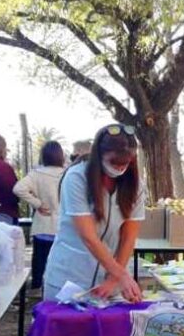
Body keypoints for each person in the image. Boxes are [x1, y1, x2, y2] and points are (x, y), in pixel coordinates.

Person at [43, 124, 145, 302]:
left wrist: (113, 279)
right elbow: (89, 237)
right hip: (70, 280)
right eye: (114, 162)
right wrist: (122, 276)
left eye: (126, 163)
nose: (120, 168)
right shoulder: (76, 178)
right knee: (67, 328)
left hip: (109, 283)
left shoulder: (135, 186)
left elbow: (128, 237)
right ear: (99, 155)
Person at [13, 141, 65, 289]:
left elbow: (18, 189)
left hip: (43, 223)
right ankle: (57, 288)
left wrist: (38, 203)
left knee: (39, 259)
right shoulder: (67, 173)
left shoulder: (36, 174)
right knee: (60, 261)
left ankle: (36, 286)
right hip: (63, 225)